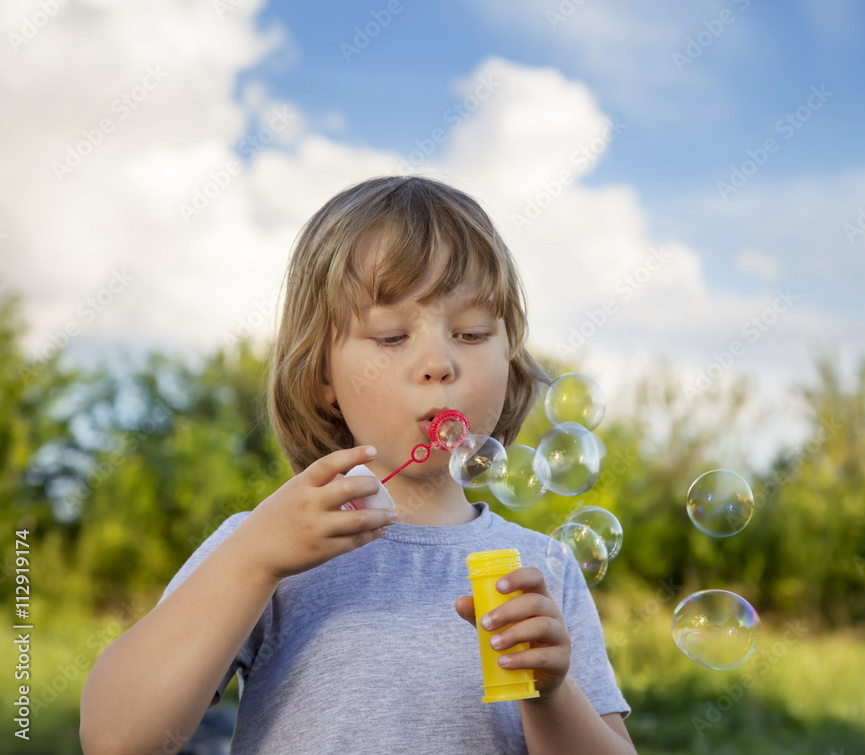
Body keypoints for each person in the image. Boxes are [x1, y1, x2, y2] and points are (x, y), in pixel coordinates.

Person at [80, 176, 635, 754]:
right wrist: (253, 560)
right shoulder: (270, 547)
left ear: (510, 356)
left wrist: (551, 694)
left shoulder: (542, 567)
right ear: (323, 377)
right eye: (392, 335)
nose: (438, 363)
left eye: (471, 332)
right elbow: (116, 739)